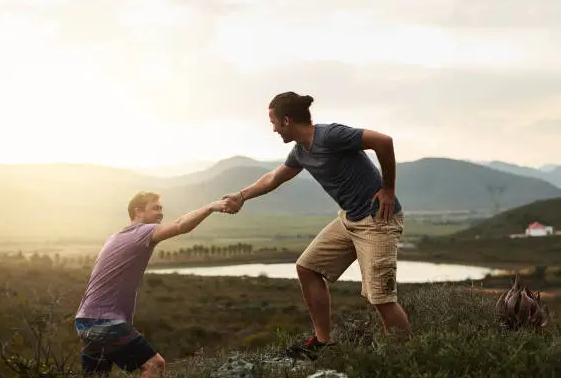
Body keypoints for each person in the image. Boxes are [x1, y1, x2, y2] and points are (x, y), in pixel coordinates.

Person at [222, 91, 411, 359]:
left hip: (377, 219)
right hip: (349, 219)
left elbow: (383, 141)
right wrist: (241, 196)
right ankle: (323, 342)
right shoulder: (301, 151)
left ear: (286, 120)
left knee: (381, 298)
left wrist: (388, 189)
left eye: (274, 122)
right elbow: (274, 177)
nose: (273, 129)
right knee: (308, 268)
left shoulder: (331, 135)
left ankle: (406, 359)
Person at [74, 191, 238, 377]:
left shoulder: (116, 236)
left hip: (85, 320)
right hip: (104, 321)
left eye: (161, 209)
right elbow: (180, 225)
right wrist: (210, 207)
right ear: (138, 212)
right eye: (156, 208)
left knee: (97, 375)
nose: (161, 213)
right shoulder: (141, 232)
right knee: (154, 364)